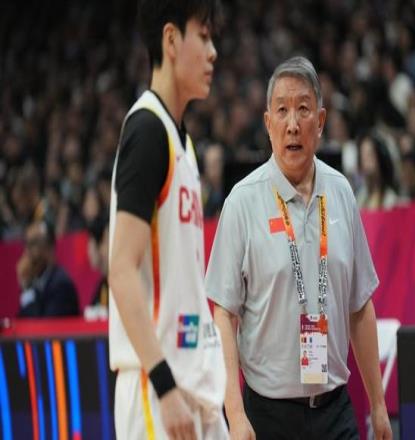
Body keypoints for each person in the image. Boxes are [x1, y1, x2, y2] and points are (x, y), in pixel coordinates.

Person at [206, 56, 392, 440]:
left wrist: (377, 404)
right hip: (267, 415)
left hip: (336, 410)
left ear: (320, 121)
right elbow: (224, 314)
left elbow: (360, 306)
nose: (292, 124)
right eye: (282, 110)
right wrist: (235, 413)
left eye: (303, 109)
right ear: (267, 123)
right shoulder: (242, 201)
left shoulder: (341, 193)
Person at [107, 1, 227, 439]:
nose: (213, 51)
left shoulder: (184, 144)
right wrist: (164, 385)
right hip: (157, 388)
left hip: (191, 385)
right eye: (204, 36)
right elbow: (121, 269)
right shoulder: (147, 131)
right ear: (172, 40)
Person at [17, 220, 79, 317]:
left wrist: (27, 290)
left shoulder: (61, 285)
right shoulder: (34, 283)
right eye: (26, 244)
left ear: (50, 248)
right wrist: (26, 288)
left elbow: (44, 324)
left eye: (33, 244)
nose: (27, 252)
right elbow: (22, 320)